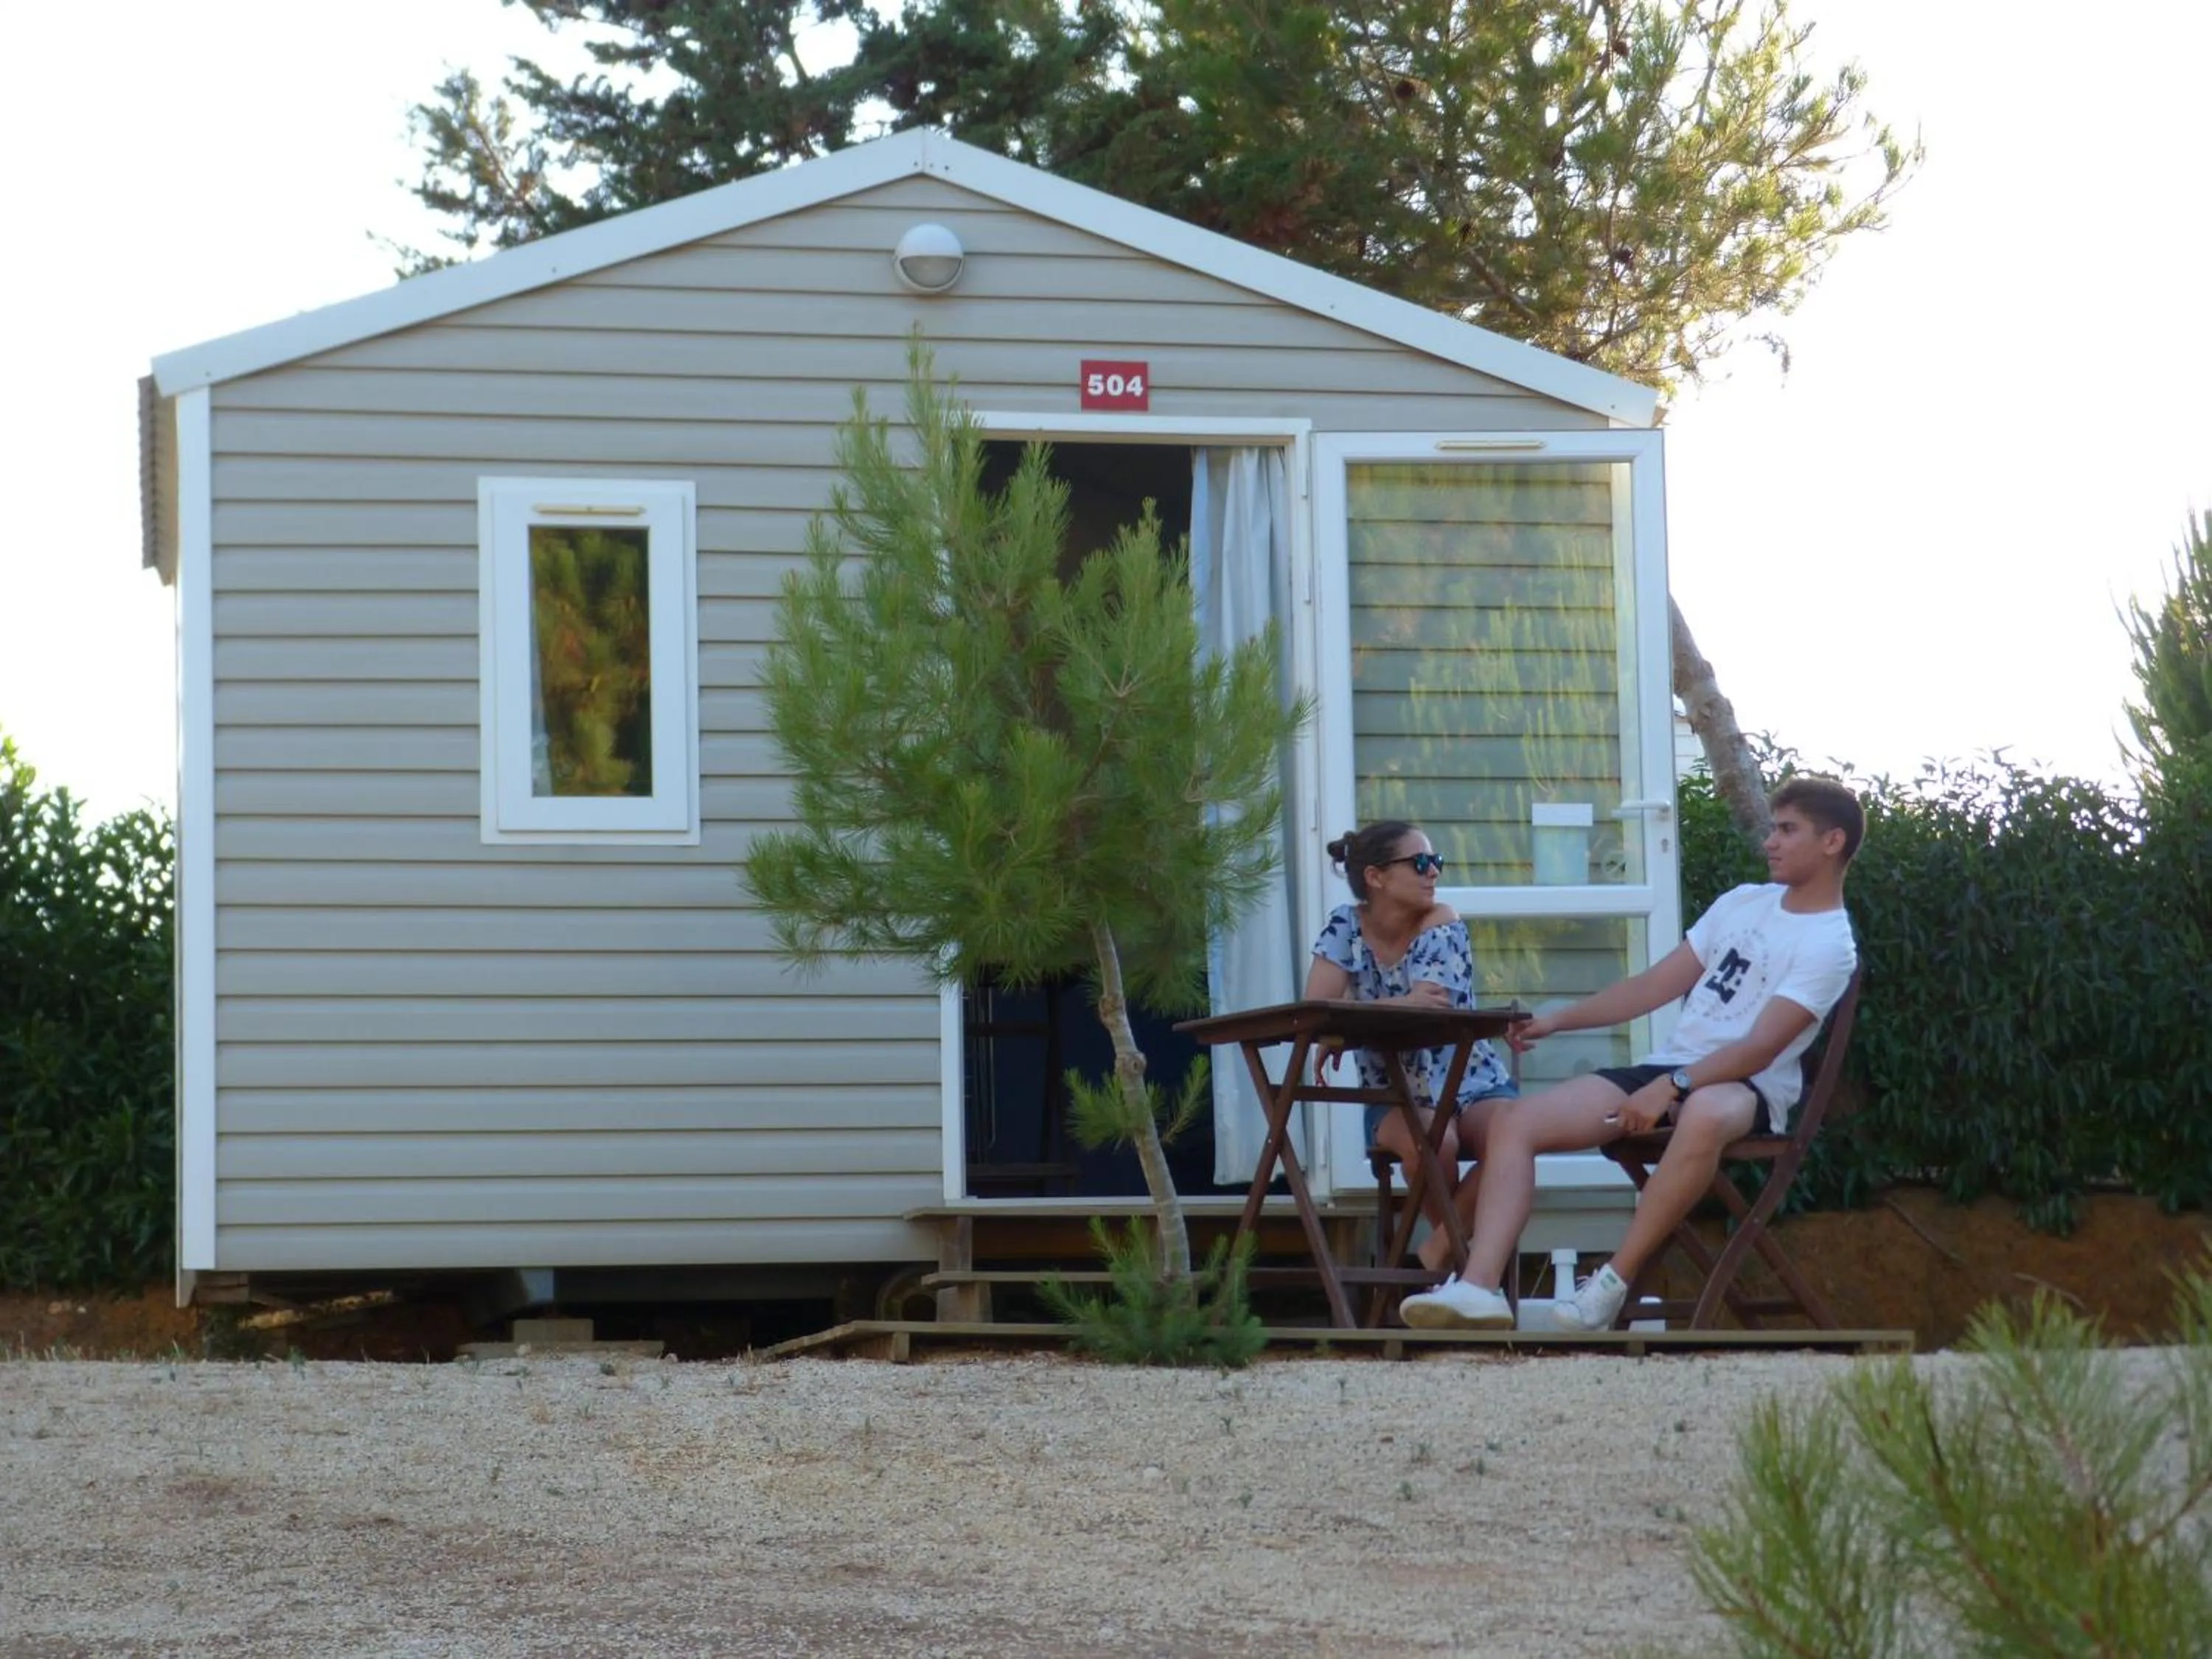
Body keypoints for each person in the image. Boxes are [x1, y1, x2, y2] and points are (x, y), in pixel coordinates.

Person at [1397, 776, 1863, 1332]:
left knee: (1708, 1111)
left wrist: (1677, 1086)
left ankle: (1612, 1283)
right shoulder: (1743, 902)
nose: (1770, 842)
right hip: (1669, 1071)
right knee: (1517, 1122)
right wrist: (1558, 1020)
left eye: (1787, 830)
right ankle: (1479, 1287)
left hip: (1747, 1088)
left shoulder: (1830, 944)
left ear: (1832, 842)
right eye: (1773, 829)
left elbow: (1760, 1049)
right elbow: (1651, 987)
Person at [1304, 821, 1517, 1276]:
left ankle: (1445, 1255)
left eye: (1436, 861)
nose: (1433, 872)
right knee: (1432, 1142)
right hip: (1395, 1091)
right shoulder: (1346, 924)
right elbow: (1315, 1010)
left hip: (1473, 1080)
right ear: (1375, 877)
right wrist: (1349, 1015)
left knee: (1517, 1134)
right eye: (1421, 862)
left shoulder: (1442, 919)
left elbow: (1430, 1004)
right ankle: (1470, 1273)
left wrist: (1353, 1016)